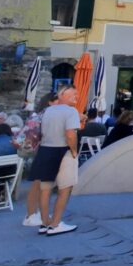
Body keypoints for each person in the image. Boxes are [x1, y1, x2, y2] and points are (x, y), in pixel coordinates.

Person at [22, 84, 80, 235]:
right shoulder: (71, 111)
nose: (76, 97)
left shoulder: (47, 111)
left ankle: (44, 223)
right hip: (63, 150)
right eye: (73, 95)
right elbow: (70, 134)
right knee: (65, 188)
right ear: (62, 96)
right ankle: (55, 224)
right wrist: (74, 150)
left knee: (45, 188)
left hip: (46, 150)